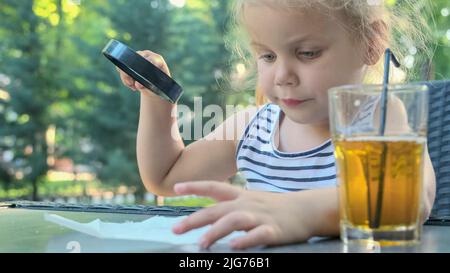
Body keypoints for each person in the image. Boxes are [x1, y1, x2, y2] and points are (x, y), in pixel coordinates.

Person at [116, 0, 436, 249]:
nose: (282, 76)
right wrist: (157, 97)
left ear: (371, 43)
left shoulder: (378, 116)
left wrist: (303, 213)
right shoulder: (252, 128)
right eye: (268, 56)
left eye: (308, 53)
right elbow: (165, 177)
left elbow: (410, 199)